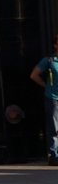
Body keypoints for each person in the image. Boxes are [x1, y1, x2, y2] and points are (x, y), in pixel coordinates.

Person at [30, 35, 58, 165]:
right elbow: (34, 75)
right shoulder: (49, 60)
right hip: (54, 98)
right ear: (55, 45)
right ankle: (54, 155)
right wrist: (46, 86)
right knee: (55, 128)